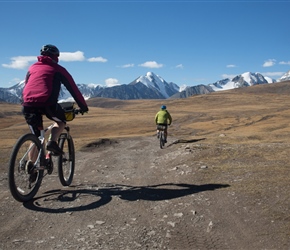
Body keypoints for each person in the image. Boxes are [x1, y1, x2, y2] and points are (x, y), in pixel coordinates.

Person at [22, 44, 89, 156]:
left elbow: (27, 84)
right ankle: (52, 142)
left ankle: (32, 168)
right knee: (61, 121)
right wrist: (83, 107)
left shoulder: (32, 68)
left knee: (37, 137)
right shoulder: (58, 69)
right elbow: (73, 89)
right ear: (55, 57)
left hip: (27, 104)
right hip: (47, 103)